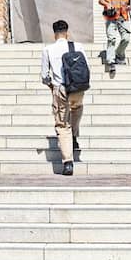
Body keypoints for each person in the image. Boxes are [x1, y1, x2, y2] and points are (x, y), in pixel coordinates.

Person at [40, 19, 87, 177]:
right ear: (67, 33)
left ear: (54, 34)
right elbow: (86, 67)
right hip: (78, 88)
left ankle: (67, 162)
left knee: (62, 125)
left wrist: (51, 86)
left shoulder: (48, 49)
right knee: (77, 109)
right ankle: (74, 136)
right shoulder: (78, 46)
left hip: (60, 88)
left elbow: (44, 76)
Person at [99, 0, 131, 73]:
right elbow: (100, 0)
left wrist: (129, 8)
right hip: (111, 16)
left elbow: (128, 3)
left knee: (126, 39)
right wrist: (107, 4)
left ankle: (118, 54)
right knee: (111, 39)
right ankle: (111, 61)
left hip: (123, 17)